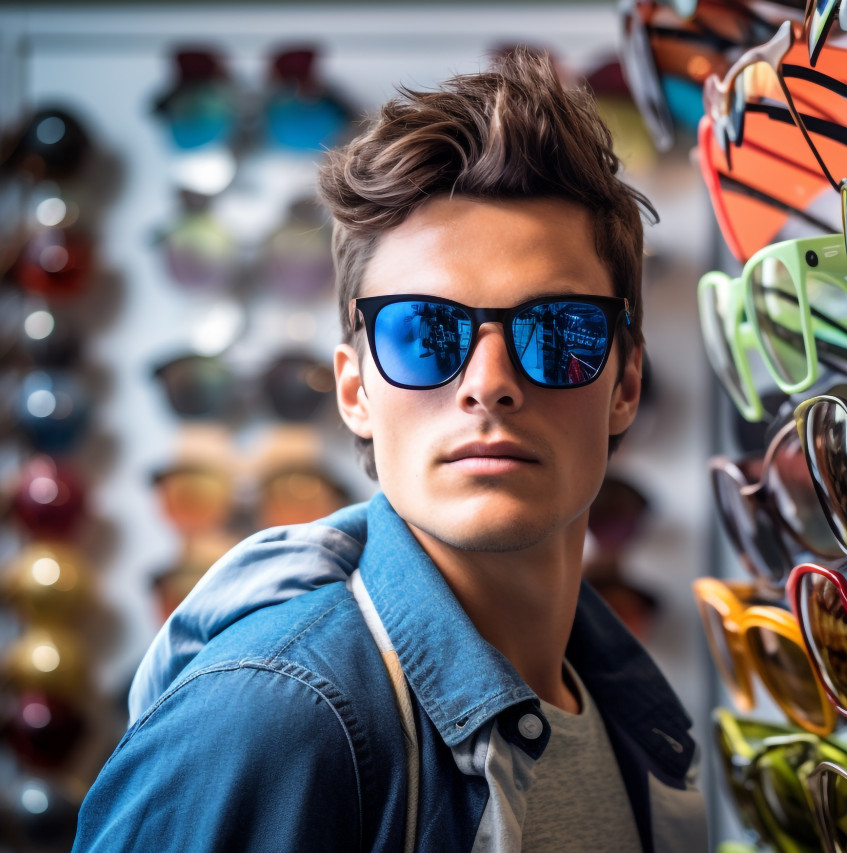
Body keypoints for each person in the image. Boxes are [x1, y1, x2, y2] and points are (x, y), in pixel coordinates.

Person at [74, 47, 707, 853]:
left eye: (557, 331)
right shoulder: (270, 724)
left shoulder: (628, 712)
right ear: (355, 390)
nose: (489, 383)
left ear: (625, 384)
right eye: (424, 331)